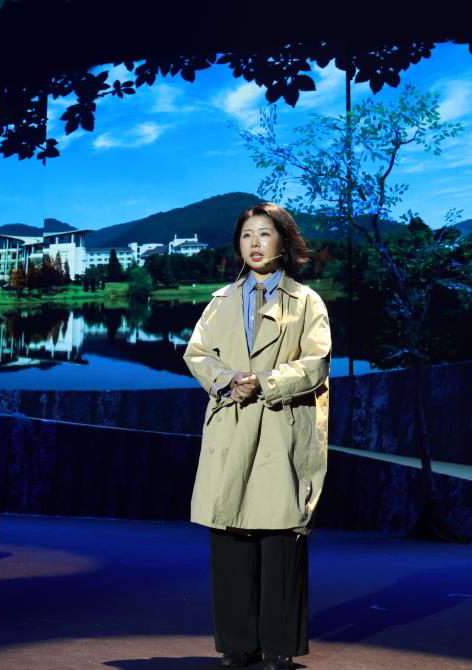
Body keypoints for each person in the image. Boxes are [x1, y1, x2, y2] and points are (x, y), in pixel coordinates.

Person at [183, 202, 331, 669]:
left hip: (279, 424)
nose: (255, 243)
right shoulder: (220, 300)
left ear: (284, 241)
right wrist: (229, 380)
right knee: (230, 534)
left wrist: (264, 382)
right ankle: (237, 644)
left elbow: (315, 362)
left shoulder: (306, 301)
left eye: (265, 234)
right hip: (231, 420)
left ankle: (279, 645)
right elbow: (197, 353)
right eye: (247, 235)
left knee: (279, 535)